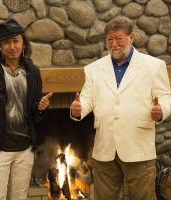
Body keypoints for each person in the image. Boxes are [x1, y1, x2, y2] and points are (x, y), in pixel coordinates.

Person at [70, 16, 171, 200]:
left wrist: (161, 110)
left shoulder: (154, 66)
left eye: (119, 39)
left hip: (138, 147)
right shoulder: (93, 69)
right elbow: (85, 100)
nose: (114, 44)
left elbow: (165, 97)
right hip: (104, 149)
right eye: (110, 40)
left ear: (131, 37)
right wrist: (78, 109)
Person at [0, 19, 52, 200]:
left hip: (25, 150)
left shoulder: (33, 71)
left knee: (19, 197)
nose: (12, 46)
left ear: (23, 43)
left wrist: (40, 108)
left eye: (16, 41)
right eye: (7, 42)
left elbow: (35, 111)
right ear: (0, 47)